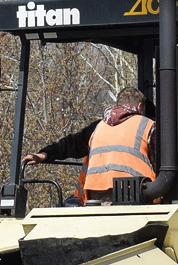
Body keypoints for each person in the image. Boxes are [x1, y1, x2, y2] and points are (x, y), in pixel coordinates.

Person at [24, 87, 157, 203]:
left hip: (95, 196)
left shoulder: (99, 127)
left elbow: (73, 143)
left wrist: (45, 154)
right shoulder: (147, 125)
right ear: (140, 106)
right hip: (135, 195)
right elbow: (159, 162)